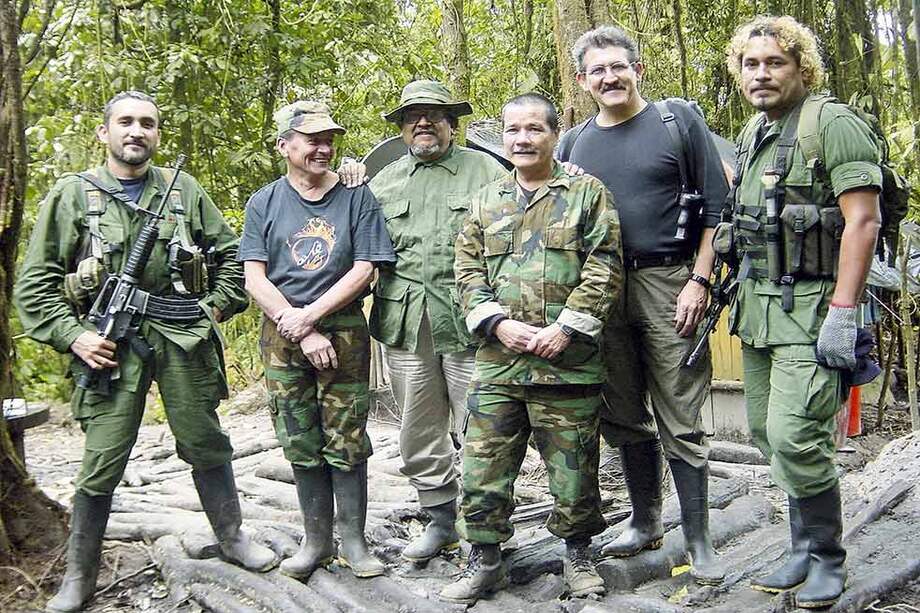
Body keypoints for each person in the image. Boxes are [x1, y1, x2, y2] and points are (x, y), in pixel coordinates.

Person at [15, 91, 276, 613]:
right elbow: (34, 287)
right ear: (104, 132)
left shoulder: (183, 192)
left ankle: (232, 539)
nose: (137, 132)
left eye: (148, 124)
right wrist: (76, 336)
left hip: (182, 342)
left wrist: (213, 311)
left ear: (157, 135)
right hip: (111, 348)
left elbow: (233, 258)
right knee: (102, 462)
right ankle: (78, 573)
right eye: (126, 122)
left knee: (206, 442)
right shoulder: (72, 196)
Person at [558, 25, 730, 584]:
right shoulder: (573, 144)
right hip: (602, 287)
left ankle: (700, 540)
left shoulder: (675, 121)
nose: (610, 77)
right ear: (582, 81)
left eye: (618, 66)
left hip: (670, 280)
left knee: (680, 414)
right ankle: (645, 518)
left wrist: (699, 281)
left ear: (637, 69)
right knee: (622, 410)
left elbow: (715, 209)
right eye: (597, 70)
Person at [441, 93, 623, 604]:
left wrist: (565, 329)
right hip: (498, 366)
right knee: (482, 468)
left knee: (575, 471)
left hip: (567, 364)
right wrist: (495, 323)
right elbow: (466, 271)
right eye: (513, 130)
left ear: (553, 133)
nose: (522, 139)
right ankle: (484, 559)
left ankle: (580, 555)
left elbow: (605, 266)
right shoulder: (486, 199)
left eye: (533, 130)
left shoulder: (587, 194)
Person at [725, 16, 881, 608]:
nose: (761, 74)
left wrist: (845, 312)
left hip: (815, 307)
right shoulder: (754, 131)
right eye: (751, 64)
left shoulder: (831, 124)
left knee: (796, 435)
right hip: (761, 308)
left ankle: (829, 559)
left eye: (775, 63)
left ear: (800, 68)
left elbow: (862, 220)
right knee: (767, 431)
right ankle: (800, 547)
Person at [238, 101, 395, 579]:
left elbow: (366, 267)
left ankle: (354, 542)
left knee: (346, 437)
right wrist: (296, 324)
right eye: (312, 140)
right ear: (285, 146)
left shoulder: (357, 197)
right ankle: (316, 542)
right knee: (298, 436)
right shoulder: (264, 202)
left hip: (343, 330)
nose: (323, 148)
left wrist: (312, 317)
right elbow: (253, 276)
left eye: (329, 140)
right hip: (282, 335)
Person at [367, 80, 507, 562]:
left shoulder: (487, 171)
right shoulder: (381, 183)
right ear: (403, 128)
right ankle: (440, 521)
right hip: (406, 323)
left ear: (452, 122)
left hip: (472, 321)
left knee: (485, 425)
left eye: (434, 114)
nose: (423, 122)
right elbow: (360, 253)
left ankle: (483, 528)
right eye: (413, 116)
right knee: (418, 427)